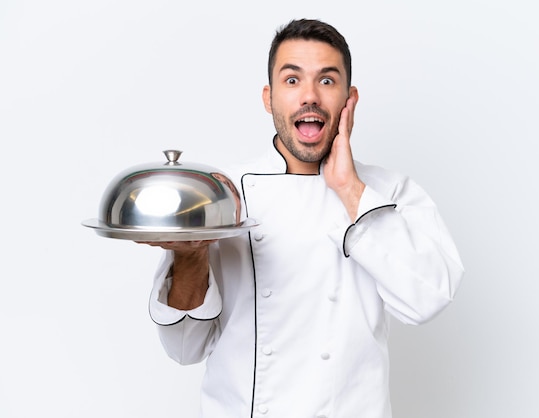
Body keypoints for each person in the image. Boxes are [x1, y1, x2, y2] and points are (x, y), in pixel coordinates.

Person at [142, 18, 464, 418]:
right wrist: (190, 257)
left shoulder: (388, 192)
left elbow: (429, 298)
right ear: (268, 97)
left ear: (350, 99)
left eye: (327, 81)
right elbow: (185, 347)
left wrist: (349, 189)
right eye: (292, 81)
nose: (309, 96)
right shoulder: (222, 195)